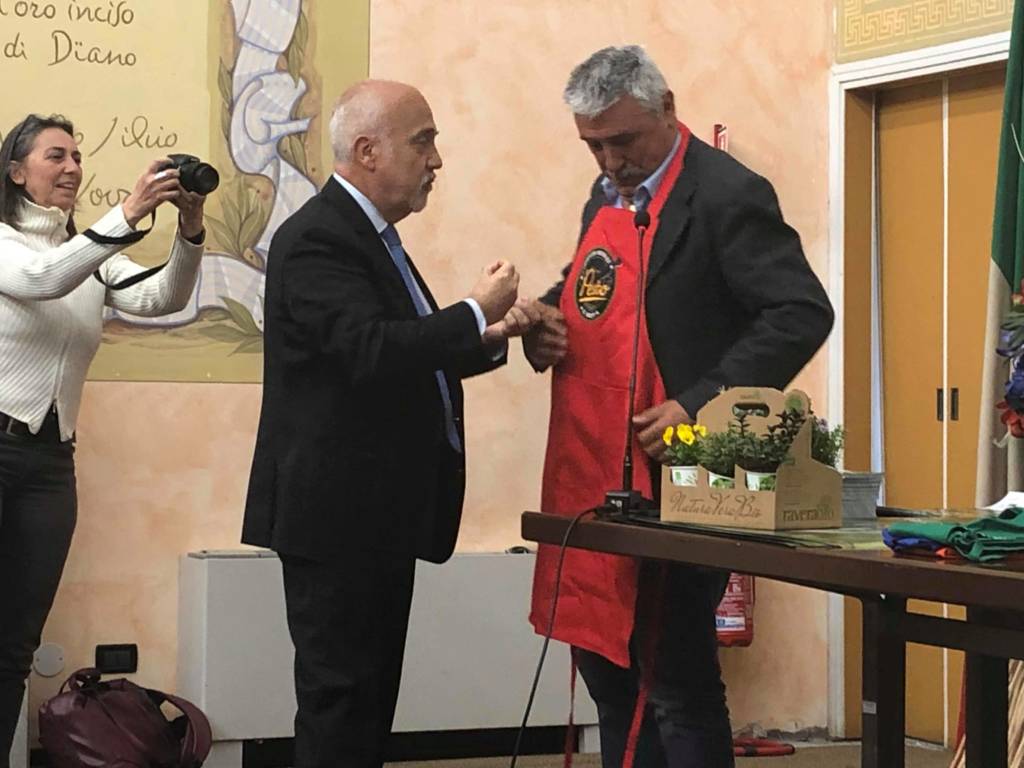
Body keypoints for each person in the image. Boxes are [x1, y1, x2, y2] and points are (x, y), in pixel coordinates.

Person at [525, 46, 834, 768]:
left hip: (682, 480)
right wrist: (546, 319)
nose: (610, 161)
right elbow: (592, 286)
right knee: (607, 673)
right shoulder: (605, 196)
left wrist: (700, 403)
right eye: (593, 146)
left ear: (666, 108)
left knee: (674, 681)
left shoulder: (728, 193)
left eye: (623, 140)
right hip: (595, 476)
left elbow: (799, 311)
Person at [242, 80, 532, 768]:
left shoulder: (367, 238)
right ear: (368, 151)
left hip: (372, 515)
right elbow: (370, 351)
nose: (437, 160)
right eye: (423, 141)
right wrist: (474, 309)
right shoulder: (317, 238)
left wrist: (491, 336)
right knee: (342, 706)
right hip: (337, 518)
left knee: (367, 706)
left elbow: (403, 357)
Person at [0, 113, 207, 767]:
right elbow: (42, 278)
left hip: (49, 463)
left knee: (14, 647)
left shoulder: (90, 256)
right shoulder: (9, 244)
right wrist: (129, 212)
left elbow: (163, 299)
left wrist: (190, 230)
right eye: (55, 155)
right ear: (16, 172)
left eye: (77, 156)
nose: (72, 167)